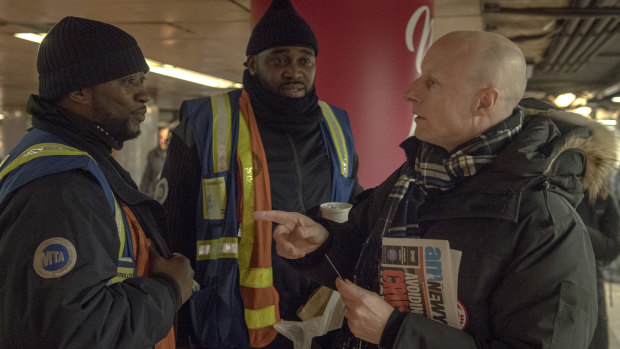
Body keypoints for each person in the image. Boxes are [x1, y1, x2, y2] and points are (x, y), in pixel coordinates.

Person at [253, 30, 605, 348]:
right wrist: (321, 245)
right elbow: (365, 259)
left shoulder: (544, 222)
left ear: (484, 101)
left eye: (432, 83)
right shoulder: (411, 178)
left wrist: (396, 333)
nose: (410, 92)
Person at [159, 0, 362, 347]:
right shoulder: (205, 123)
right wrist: (179, 323)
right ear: (252, 64)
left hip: (321, 310)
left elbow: (352, 206)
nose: (294, 71)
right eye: (279, 59)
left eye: (304, 60)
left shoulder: (336, 124)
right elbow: (171, 229)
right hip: (228, 316)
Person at [0, 16, 194, 348]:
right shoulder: (62, 186)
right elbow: (76, 332)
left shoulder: (63, 158)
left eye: (142, 79)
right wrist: (169, 289)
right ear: (78, 91)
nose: (144, 94)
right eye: (128, 81)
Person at [576, 188, 620, 349]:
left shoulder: (604, 197)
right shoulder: (555, 191)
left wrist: (577, 227)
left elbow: (613, 247)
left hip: (592, 276)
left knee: (595, 337)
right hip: (555, 277)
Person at [141, 124, 170, 198]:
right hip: (155, 196)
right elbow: (146, 178)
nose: (163, 141)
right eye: (161, 137)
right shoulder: (152, 155)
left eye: (165, 137)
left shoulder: (175, 155)